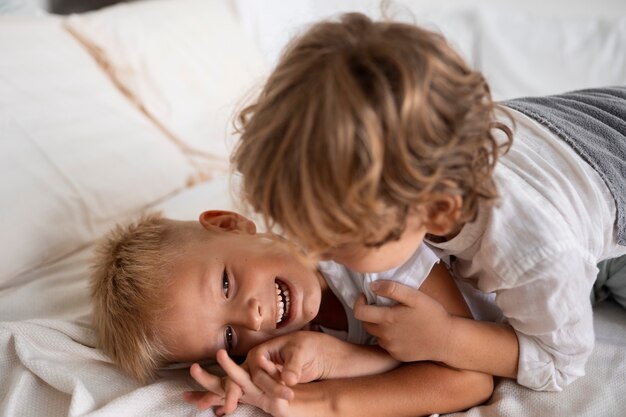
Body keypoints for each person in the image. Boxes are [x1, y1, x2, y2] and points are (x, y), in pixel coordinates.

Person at [230, 12, 626, 393]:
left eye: (335, 240)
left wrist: (447, 339)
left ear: (437, 211)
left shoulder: (532, 250)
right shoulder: (431, 138)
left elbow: (562, 363)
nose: (313, 253)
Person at [90, 210, 492, 417]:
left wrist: (319, 402)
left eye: (226, 284)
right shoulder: (299, 352)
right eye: (229, 338)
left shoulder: (360, 244)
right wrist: (345, 362)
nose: (253, 317)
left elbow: (471, 380)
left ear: (231, 224)